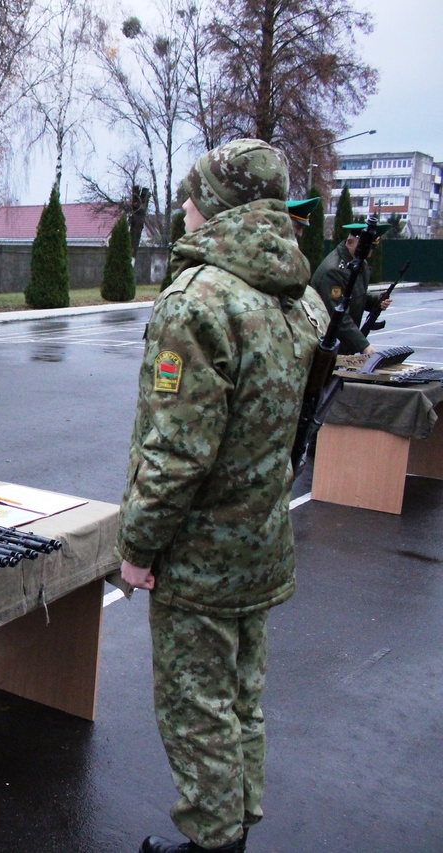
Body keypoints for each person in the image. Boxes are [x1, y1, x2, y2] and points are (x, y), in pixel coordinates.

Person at [117, 139, 327, 853]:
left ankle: (213, 839)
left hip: (199, 558)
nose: (183, 205)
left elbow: (177, 453)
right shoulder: (293, 297)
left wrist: (139, 548)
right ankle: (234, 824)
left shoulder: (200, 300)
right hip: (261, 544)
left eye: (192, 192)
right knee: (240, 700)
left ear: (218, 203)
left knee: (196, 707)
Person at [309, 221, 391, 355]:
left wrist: (376, 301)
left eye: (371, 248)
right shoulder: (334, 270)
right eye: (366, 248)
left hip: (341, 343)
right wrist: (364, 346)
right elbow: (337, 315)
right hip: (326, 344)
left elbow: (355, 293)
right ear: (349, 243)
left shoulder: (358, 262)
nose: (369, 254)